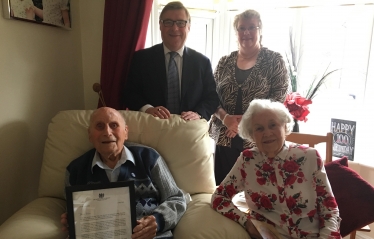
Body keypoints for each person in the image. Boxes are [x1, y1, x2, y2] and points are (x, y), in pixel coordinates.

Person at [211, 99, 342, 239]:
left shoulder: (310, 157)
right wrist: (247, 223)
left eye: (273, 125)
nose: (267, 133)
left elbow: (330, 211)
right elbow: (219, 197)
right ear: (251, 135)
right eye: (259, 128)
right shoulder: (247, 160)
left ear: (285, 127)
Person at [60, 107, 186, 239]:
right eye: (99, 126)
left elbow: (176, 198)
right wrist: (71, 219)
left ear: (125, 132)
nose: (107, 132)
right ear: (90, 135)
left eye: (114, 125)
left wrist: (158, 220)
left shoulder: (149, 158)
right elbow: (72, 211)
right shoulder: (75, 170)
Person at [208, 9, 289, 185]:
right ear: (236, 33)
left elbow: (278, 100)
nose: (246, 32)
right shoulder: (224, 62)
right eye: (241, 28)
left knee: (257, 193)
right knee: (225, 191)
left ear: (260, 30)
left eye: (252, 27)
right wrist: (226, 118)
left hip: (259, 140)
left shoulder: (274, 61)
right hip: (225, 138)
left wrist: (244, 122)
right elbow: (211, 96)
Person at [123, 1, 219, 121]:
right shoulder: (142, 59)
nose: (174, 28)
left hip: (188, 130)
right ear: (160, 26)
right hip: (152, 129)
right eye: (168, 22)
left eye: (180, 23)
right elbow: (130, 93)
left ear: (188, 27)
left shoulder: (202, 62)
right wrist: (148, 109)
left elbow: (211, 98)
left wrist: (198, 113)